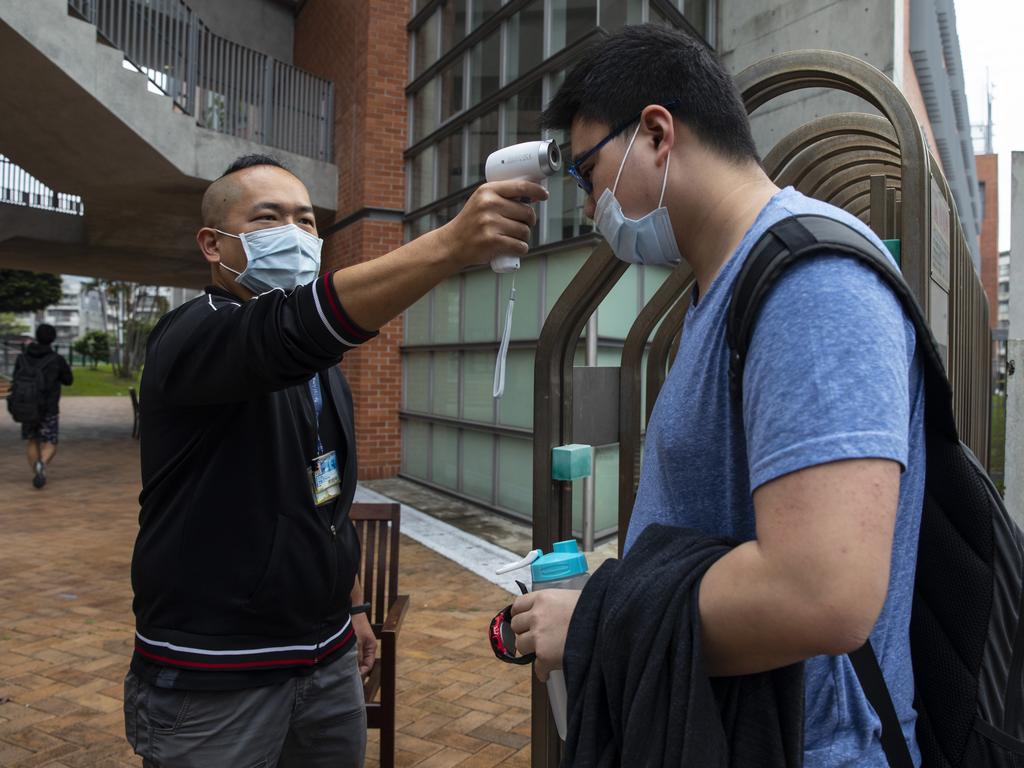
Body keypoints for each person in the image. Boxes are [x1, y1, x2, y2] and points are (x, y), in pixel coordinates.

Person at [510, 24, 925, 767]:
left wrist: (596, 623)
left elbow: (822, 592)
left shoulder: (811, 282)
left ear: (658, 133)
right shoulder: (720, 287)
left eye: (586, 171)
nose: (587, 205)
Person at [124, 154, 546, 766]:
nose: (293, 234)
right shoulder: (193, 336)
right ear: (213, 245)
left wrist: (352, 609)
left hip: (325, 657)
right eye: (268, 219)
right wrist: (450, 244)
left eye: (305, 221)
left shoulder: (321, 371)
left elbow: (324, 500)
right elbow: (288, 329)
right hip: (216, 676)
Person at [11, 323, 73, 489]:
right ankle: (42, 465)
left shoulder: (22, 358)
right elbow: (69, 380)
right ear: (52, 339)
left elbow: (15, 379)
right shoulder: (56, 359)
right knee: (50, 442)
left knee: (32, 439)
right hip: (49, 408)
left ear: (37, 337)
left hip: (27, 406)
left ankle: (37, 471)